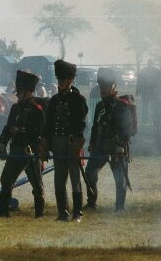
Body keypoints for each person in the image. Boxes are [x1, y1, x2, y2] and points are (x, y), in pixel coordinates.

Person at [0, 70, 46, 218]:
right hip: (16, 150)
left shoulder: (37, 110)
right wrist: (2, 142)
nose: (16, 95)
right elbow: (8, 127)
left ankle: (40, 213)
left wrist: (20, 132)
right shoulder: (15, 108)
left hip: (31, 151)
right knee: (6, 179)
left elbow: (38, 132)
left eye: (19, 92)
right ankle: (3, 212)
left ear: (27, 92)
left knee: (36, 183)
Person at [45, 59, 88, 222]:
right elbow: (48, 124)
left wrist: (76, 140)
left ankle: (77, 213)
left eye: (62, 80)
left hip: (72, 143)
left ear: (70, 80)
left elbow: (81, 123)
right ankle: (62, 212)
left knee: (75, 179)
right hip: (57, 143)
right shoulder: (54, 101)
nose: (59, 83)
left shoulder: (78, 100)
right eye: (59, 80)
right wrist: (46, 143)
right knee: (59, 179)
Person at [84, 68, 133, 212]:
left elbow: (126, 128)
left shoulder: (121, 106)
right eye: (101, 87)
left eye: (105, 87)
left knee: (120, 179)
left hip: (116, 147)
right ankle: (92, 203)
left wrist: (119, 145)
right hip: (100, 146)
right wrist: (92, 142)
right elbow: (95, 126)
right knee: (90, 172)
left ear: (113, 87)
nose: (102, 90)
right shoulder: (100, 106)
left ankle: (119, 207)